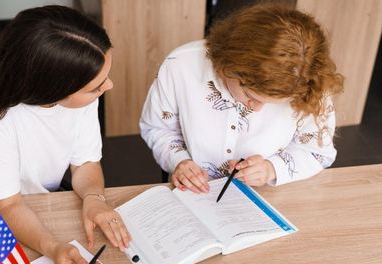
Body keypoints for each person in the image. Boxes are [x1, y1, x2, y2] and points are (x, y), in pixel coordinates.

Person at [0, 5, 131, 264]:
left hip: (35, 202)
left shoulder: (82, 97)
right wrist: (53, 248)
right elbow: (10, 206)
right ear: (54, 89)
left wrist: (93, 199)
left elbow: (86, 162)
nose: (108, 86)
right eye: (96, 86)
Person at [140, 3, 344, 193]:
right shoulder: (180, 66)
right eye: (250, 95)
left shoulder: (308, 81)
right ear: (228, 66)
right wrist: (179, 161)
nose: (256, 109)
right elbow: (158, 128)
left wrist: (271, 169)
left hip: (269, 194)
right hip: (191, 192)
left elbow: (316, 152)